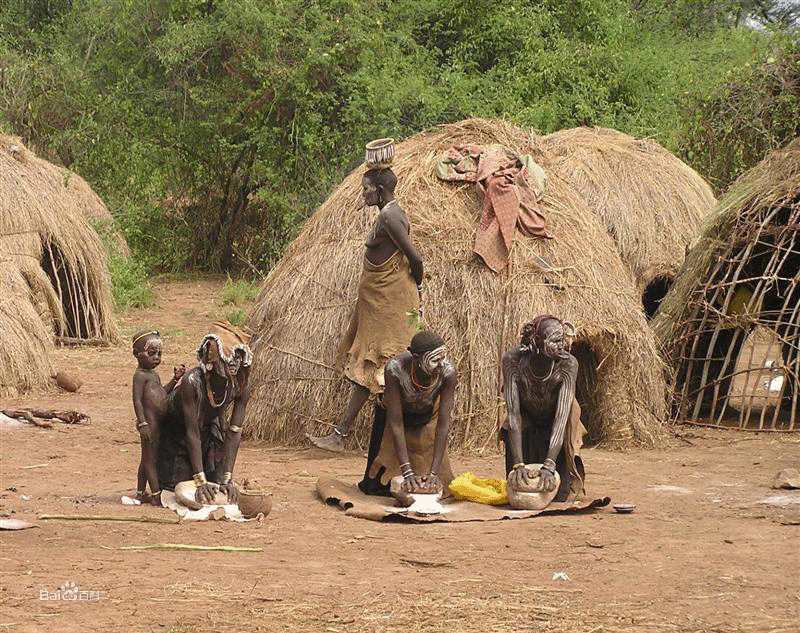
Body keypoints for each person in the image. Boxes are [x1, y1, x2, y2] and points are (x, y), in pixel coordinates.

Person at [308, 141, 423, 452]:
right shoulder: (387, 214)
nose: (363, 194)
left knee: (385, 367)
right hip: (380, 305)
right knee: (372, 368)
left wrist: (419, 286)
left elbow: (416, 258)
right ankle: (345, 435)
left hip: (393, 306)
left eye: (366, 189)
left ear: (380, 190)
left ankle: (384, 438)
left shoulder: (390, 217)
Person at [156, 322, 252, 505]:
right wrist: (200, 481)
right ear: (210, 363)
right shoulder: (191, 382)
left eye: (237, 361)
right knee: (177, 488)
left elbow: (234, 432)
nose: (233, 367)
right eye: (227, 360)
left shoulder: (241, 385)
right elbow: (192, 432)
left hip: (208, 433)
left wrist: (227, 477)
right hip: (176, 434)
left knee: (216, 485)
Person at [358, 331, 457, 496]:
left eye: (443, 358)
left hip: (426, 416)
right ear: (417, 358)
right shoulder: (395, 369)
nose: (442, 364)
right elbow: (395, 422)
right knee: (377, 487)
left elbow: (443, 424)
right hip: (393, 416)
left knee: (434, 485)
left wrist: (433, 473)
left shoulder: (448, 373)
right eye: (435, 360)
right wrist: (407, 472)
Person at [501, 316, 586, 502]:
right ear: (537, 342)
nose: (561, 346)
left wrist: (549, 464)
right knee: (518, 485)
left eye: (562, 340)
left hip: (555, 423)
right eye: (555, 341)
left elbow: (562, 417)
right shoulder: (512, 361)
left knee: (559, 495)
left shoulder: (568, 364)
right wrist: (518, 464)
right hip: (526, 419)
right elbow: (514, 415)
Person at [131, 330, 185, 505]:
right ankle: (155, 494)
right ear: (136, 354)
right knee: (149, 459)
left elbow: (162, 394)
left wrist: (175, 380)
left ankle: (140, 492)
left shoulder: (153, 375)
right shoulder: (139, 376)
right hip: (150, 422)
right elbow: (137, 401)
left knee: (147, 457)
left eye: (159, 354)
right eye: (151, 353)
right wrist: (143, 422)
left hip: (157, 423)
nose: (156, 358)